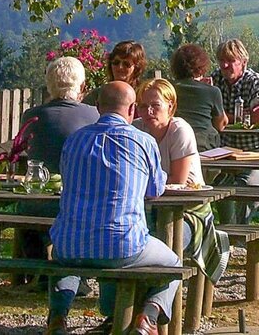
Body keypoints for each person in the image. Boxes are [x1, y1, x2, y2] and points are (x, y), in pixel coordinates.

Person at [46, 81, 177, 335]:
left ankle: (58, 318)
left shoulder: (73, 141)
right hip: (123, 244)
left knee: (66, 255)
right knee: (173, 265)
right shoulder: (144, 141)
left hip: (68, 242)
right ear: (132, 110)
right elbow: (155, 189)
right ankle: (147, 317)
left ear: (97, 108)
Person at [134, 78, 229, 283]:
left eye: (155, 105)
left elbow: (178, 180)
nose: (148, 111)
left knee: (164, 240)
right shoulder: (137, 130)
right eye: (143, 106)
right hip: (148, 207)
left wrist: (143, 181)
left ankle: (155, 301)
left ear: (170, 106)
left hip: (188, 210)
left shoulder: (179, 129)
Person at [16, 57, 99, 277]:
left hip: (35, 202)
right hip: (77, 205)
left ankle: (35, 270)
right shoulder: (93, 115)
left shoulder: (31, 115)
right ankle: (73, 276)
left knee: (28, 213)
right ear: (82, 86)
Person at [210, 39, 259, 224]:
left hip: (255, 152)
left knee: (247, 187)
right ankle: (229, 231)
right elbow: (208, 114)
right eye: (221, 60)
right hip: (226, 153)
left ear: (243, 62)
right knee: (220, 186)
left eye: (230, 60)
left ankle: (241, 230)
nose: (225, 65)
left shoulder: (253, 80)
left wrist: (224, 117)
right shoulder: (215, 79)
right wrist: (237, 116)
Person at [169, 44, 228, 152]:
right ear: (202, 66)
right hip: (205, 146)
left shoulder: (168, 89)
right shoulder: (212, 91)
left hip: (175, 144)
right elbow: (220, 125)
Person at [84, 40, 148, 106]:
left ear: (137, 68)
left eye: (126, 64)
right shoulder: (97, 95)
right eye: (116, 62)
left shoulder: (144, 97)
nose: (120, 67)